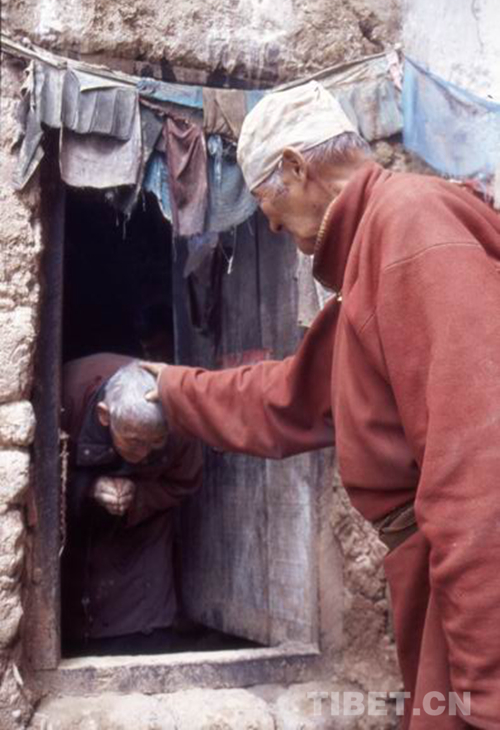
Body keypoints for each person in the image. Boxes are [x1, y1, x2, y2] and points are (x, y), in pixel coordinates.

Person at [142, 81, 500, 727]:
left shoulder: (413, 230)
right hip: (437, 575)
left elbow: (479, 468)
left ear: (295, 167)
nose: (275, 228)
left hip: (477, 580)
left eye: (268, 206)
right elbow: (296, 396)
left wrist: (485, 686)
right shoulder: (376, 249)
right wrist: (173, 387)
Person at [61, 354, 202, 656]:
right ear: (104, 415)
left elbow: (184, 481)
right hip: (73, 543)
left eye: (156, 442)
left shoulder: (179, 418)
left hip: (142, 546)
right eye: (135, 441)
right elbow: (34, 476)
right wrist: (86, 488)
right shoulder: (66, 396)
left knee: (146, 644)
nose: (145, 454)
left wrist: (140, 495)